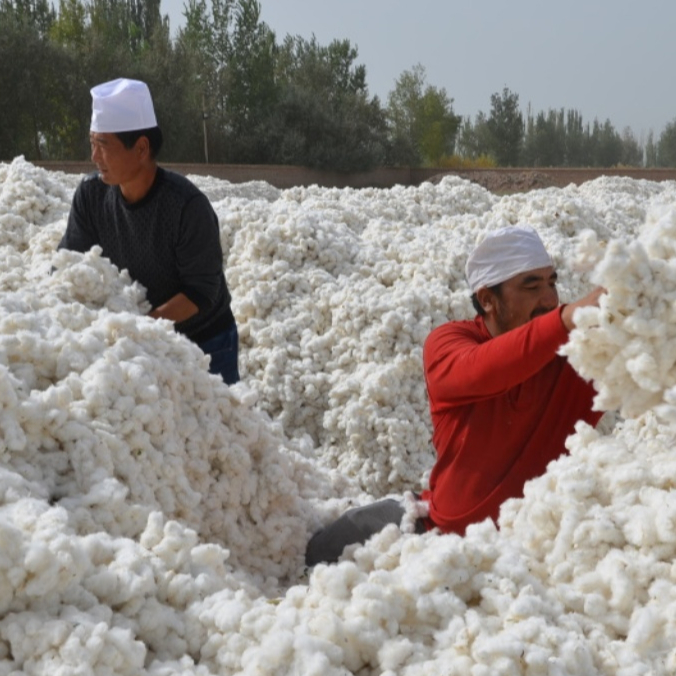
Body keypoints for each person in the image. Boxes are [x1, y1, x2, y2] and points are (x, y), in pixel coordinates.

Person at [305, 225, 604, 566]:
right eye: (531, 286)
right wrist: (568, 319)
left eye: (552, 282)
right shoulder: (450, 342)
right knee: (323, 549)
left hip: (537, 551)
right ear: (488, 300)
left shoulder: (578, 350)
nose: (550, 299)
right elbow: (482, 369)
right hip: (438, 539)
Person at [58, 77, 239, 385]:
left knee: (216, 429)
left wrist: (140, 329)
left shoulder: (186, 206)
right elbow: (70, 264)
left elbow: (201, 291)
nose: (94, 157)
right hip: (137, 341)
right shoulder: (91, 196)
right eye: (92, 144)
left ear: (141, 148)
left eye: (103, 145)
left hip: (204, 342)